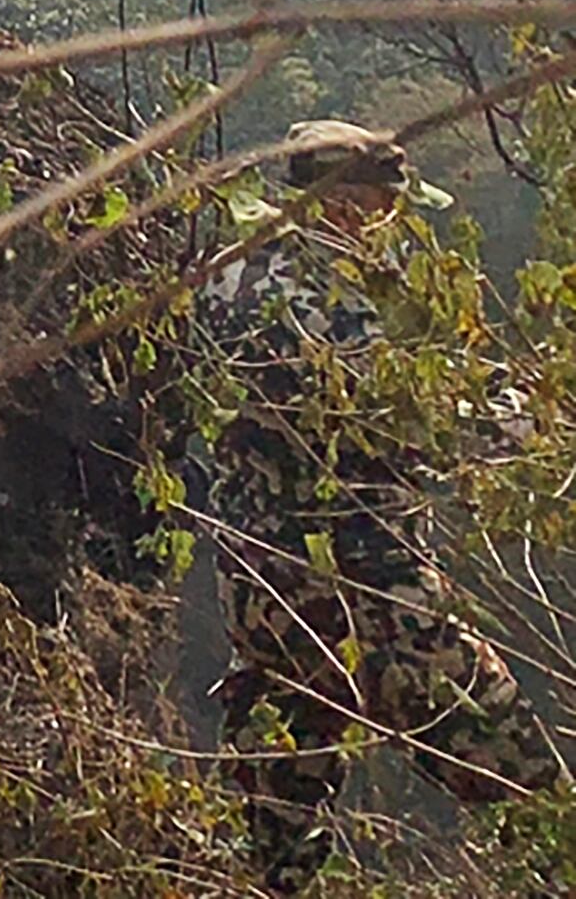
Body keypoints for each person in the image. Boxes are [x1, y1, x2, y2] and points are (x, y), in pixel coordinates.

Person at [189, 123, 559, 892]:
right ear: (347, 206)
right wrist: (544, 416)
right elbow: (436, 414)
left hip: (260, 601)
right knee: (532, 795)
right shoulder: (341, 305)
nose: (389, 224)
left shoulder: (222, 278)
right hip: (371, 594)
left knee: (272, 842)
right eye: (384, 208)